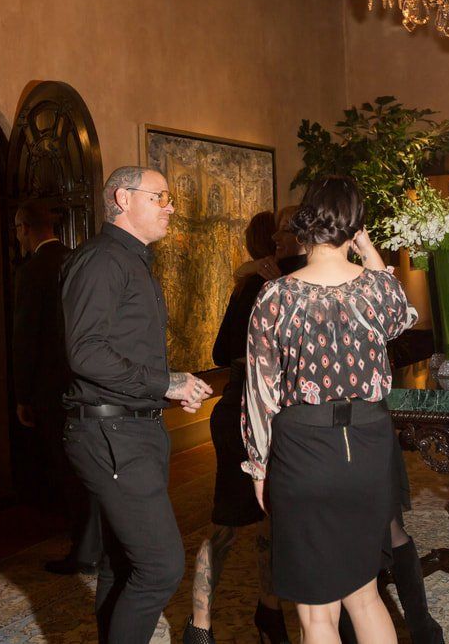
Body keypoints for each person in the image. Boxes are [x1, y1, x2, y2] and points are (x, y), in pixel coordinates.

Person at [243, 176, 418, 644]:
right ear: (354, 226)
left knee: (317, 613)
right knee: (365, 595)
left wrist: (259, 467)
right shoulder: (377, 290)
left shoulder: (275, 296)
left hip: (304, 450)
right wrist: (368, 249)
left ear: (305, 223)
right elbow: (403, 316)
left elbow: (260, 392)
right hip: (369, 445)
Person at [60, 165, 214, 644]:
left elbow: (125, 350)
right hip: (110, 434)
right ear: (123, 199)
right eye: (161, 196)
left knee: (124, 563)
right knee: (161, 567)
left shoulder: (131, 260)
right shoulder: (103, 261)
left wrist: (170, 386)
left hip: (131, 429)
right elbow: (84, 352)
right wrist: (164, 383)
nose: (170, 207)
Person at [183, 205, 301, 644]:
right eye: (285, 230)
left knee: (274, 522)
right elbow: (221, 352)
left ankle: (268, 612)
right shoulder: (261, 281)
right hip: (242, 414)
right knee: (229, 522)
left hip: (280, 417)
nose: (285, 239)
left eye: (294, 229)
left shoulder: (283, 281)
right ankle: (200, 622)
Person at [11, 202, 101, 576]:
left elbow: (25, 336)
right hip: (86, 381)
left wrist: (21, 394)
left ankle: (82, 549)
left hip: (50, 386)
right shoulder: (78, 260)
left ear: (24, 228)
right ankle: (93, 542)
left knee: (66, 469)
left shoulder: (33, 270)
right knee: (87, 467)